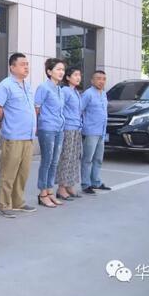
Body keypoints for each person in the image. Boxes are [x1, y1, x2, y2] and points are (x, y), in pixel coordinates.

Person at [0, 53, 38, 219]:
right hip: (13, 135)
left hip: (28, 136)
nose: (26, 67)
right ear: (12, 67)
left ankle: (18, 202)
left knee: (23, 172)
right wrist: (7, 121)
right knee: (9, 172)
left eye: (27, 64)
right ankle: (5, 205)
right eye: (22, 64)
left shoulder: (27, 85)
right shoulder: (6, 85)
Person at [35, 58, 66, 208]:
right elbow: (36, 108)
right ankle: (42, 194)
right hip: (47, 128)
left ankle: (50, 191)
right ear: (49, 71)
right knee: (46, 161)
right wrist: (35, 127)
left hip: (59, 128)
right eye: (58, 69)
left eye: (63, 69)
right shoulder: (43, 87)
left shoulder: (60, 89)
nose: (61, 72)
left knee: (54, 161)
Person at [81, 70, 111, 195]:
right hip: (91, 131)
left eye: (103, 79)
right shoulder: (88, 94)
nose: (101, 81)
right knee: (87, 159)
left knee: (98, 159)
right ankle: (86, 184)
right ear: (92, 80)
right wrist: (82, 126)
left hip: (102, 131)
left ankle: (96, 182)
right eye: (98, 78)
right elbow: (79, 110)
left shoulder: (103, 94)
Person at [56, 67, 84, 201]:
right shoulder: (65, 91)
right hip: (67, 128)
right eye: (75, 75)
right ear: (68, 78)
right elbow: (60, 108)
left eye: (79, 75)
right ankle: (61, 188)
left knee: (74, 158)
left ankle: (70, 185)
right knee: (66, 158)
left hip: (77, 128)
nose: (78, 77)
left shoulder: (76, 92)